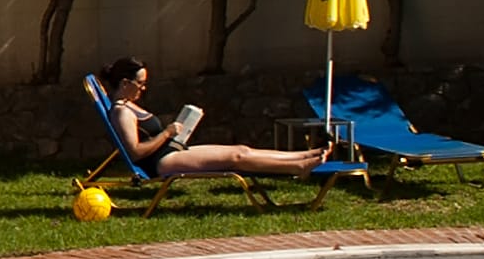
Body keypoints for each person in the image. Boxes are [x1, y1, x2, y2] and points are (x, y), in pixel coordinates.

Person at [108, 60, 330, 179]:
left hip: (171, 151)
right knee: (236, 156)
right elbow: (135, 152)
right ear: (125, 83)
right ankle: (297, 167)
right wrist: (166, 133)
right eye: (140, 84)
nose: (144, 89)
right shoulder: (121, 112)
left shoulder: (129, 105)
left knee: (241, 149)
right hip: (162, 163)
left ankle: (302, 156)